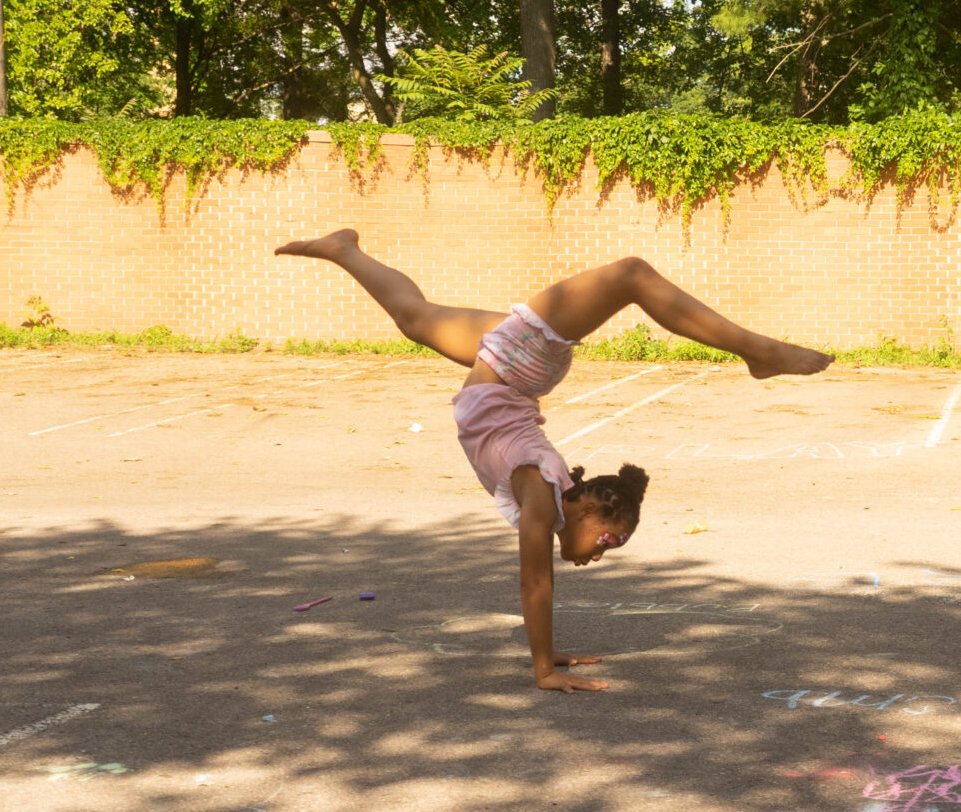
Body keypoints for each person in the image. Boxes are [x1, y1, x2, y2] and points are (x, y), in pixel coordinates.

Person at [275, 233, 830, 690]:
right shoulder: (541, 495)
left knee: (413, 317)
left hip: (505, 368)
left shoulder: (547, 494)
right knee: (632, 275)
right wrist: (542, 670)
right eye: (610, 542)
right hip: (520, 363)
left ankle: (346, 250)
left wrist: (550, 653)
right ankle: (759, 351)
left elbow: (538, 582)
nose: (600, 556)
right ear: (588, 510)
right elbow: (534, 584)